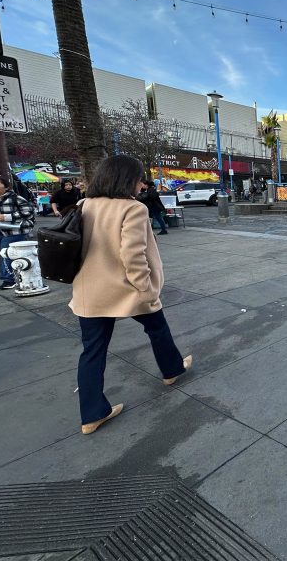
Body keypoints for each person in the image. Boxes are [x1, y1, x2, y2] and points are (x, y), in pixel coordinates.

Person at [70, 155, 192, 435]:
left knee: (92, 352)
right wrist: (146, 289)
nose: (142, 184)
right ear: (126, 179)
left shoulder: (83, 204)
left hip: (90, 292)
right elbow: (133, 256)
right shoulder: (132, 209)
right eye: (139, 178)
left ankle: (91, 415)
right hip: (127, 289)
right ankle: (172, 371)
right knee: (157, 328)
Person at [0, 175, 36, 290]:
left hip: (16, 230)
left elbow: (29, 211)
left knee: (5, 251)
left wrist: (7, 217)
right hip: (0, 230)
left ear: (5, 187)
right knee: (5, 251)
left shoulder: (15, 198)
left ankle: (8, 279)